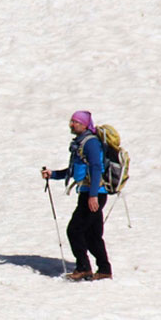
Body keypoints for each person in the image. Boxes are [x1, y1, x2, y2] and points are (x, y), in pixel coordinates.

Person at [41, 110, 113, 281]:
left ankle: (83, 268)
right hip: (90, 193)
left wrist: (93, 195)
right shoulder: (80, 143)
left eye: (76, 122)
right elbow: (75, 171)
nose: (72, 125)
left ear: (85, 125)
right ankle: (104, 269)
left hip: (93, 194)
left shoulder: (90, 143)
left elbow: (96, 168)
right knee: (92, 234)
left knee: (75, 230)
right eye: (72, 121)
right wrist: (53, 174)